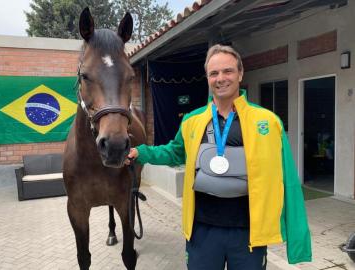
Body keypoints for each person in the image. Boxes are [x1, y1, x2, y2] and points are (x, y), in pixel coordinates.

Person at [126, 44, 311, 270]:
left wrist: (297, 241)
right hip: (202, 231)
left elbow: (289, 181)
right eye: (214, 73)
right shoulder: (193, 120)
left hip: (248, 233)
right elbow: (174, 151)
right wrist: (141, 152)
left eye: (228, 71)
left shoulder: (268, 122)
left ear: (240, 73)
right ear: (207, 78)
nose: (220, 78)